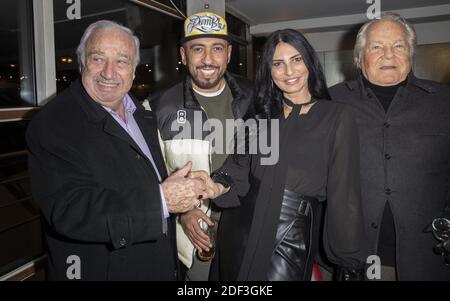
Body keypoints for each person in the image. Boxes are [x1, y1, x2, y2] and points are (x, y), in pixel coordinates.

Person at [26, 20, 207, 280]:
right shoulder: (53, 123)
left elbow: (145, 180)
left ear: (133, 71)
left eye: (121, 61)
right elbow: (70, 210)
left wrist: (182, 199)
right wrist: (162, 201)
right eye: (98, 59)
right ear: (82, 64)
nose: (109, 73)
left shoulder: (142, 114)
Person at [192, 28, 366, 281]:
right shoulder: (259, 118)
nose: (289, 71)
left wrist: (349, 260)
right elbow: (237, 169)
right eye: (278, 64)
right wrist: (215, 186)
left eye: (296, 59)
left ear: (310, 63)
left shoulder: (337, 116)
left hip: (290, 236)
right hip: (238, 230)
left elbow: (345, 194)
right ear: (269, 72)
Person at [329, 12, 450, 280]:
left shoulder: (444, 102)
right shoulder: (330, 103)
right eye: (377, 47)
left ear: (410, 54)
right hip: (357, 258)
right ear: (360, 58)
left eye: (398, 46)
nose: (388, 54)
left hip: (429, 258)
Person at [148, 12, 253, 281]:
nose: (208, 59)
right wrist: (184, 211)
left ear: (228, 54)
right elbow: (150, 178)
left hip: (251, 227)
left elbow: (268, 162)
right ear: (183, 55)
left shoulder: (257, 98)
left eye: (216, 48)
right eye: (197, 49)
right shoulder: (158, 108)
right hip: (198, 239)